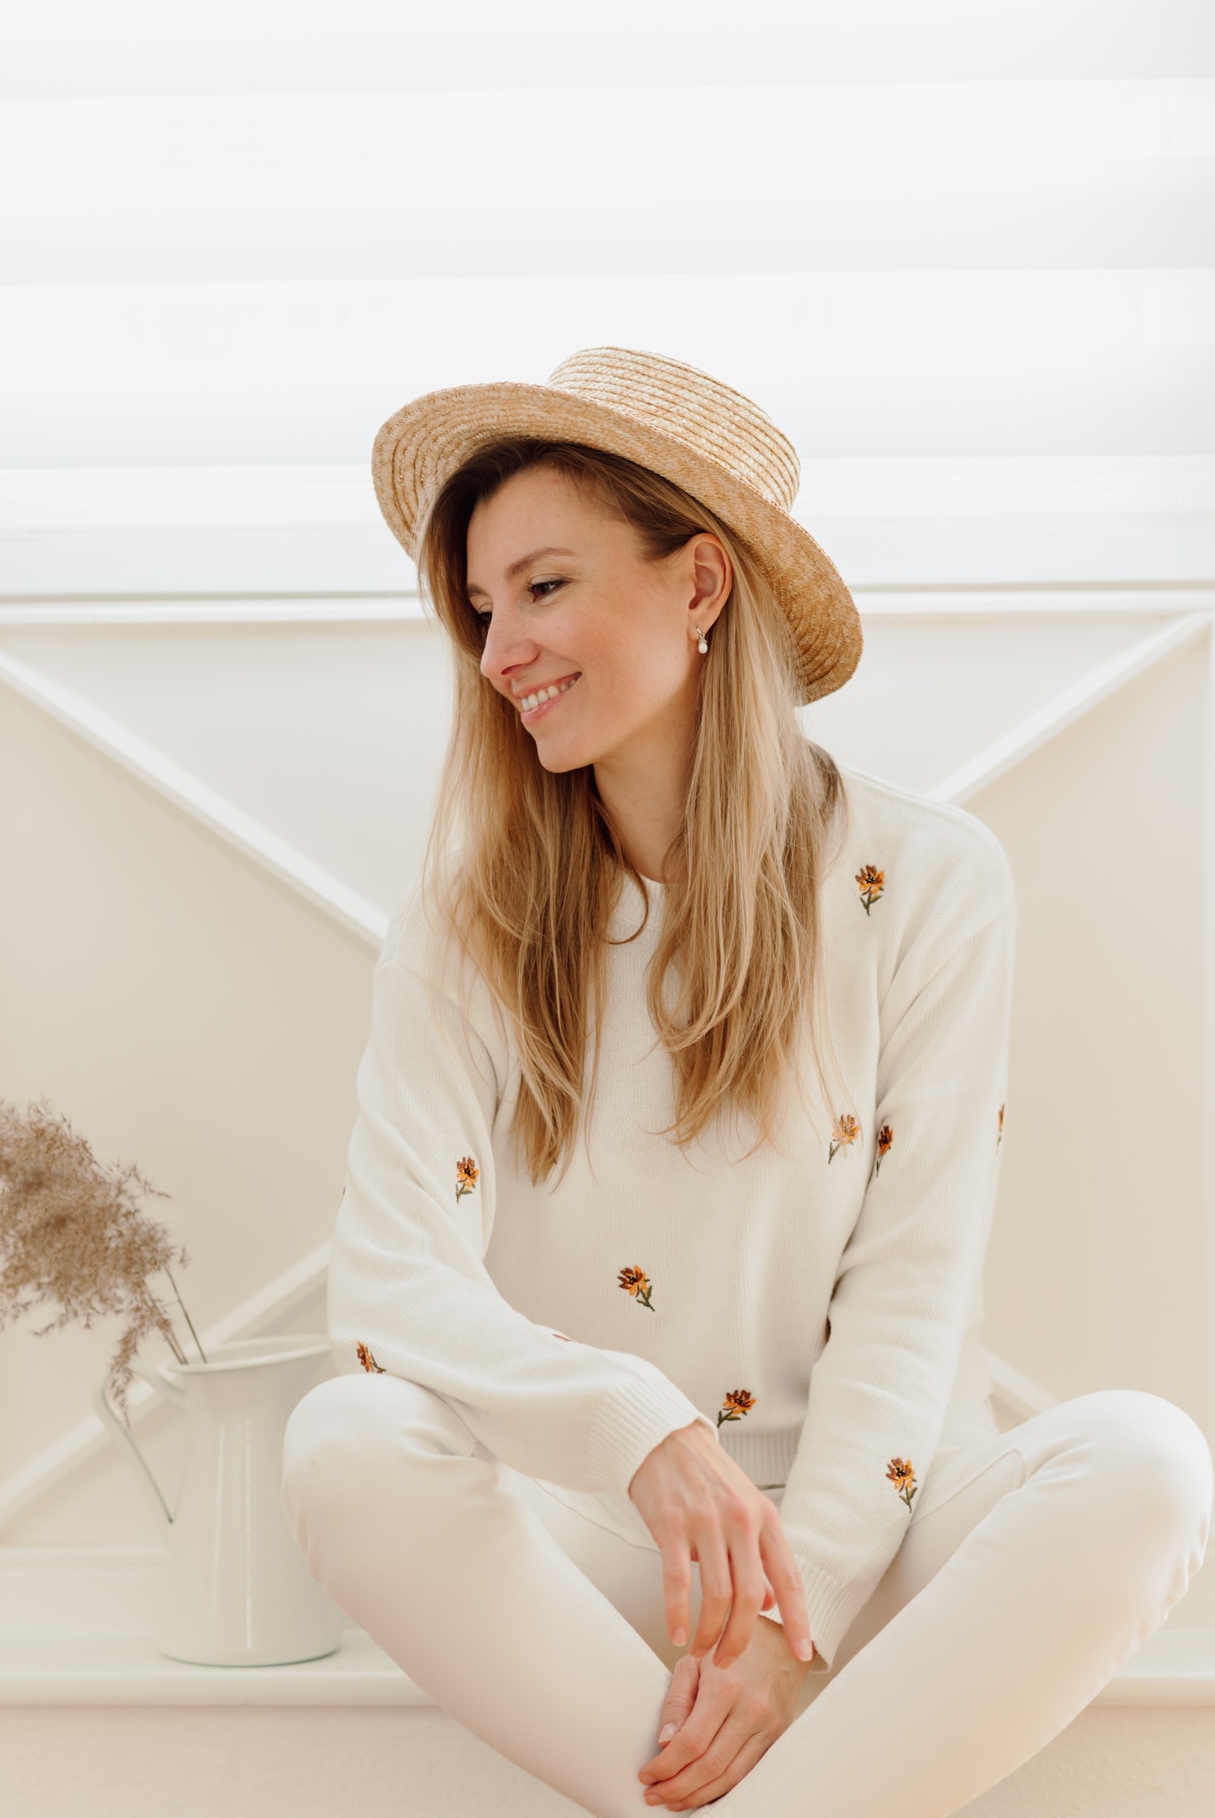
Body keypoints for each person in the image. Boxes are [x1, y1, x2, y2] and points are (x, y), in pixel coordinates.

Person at [281, 346, 1213, 1818]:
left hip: (881, 1539)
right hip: (602, 1540)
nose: (497, 647)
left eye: (539, 586)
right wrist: (642, 1429)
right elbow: (390, 1293)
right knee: (345, 1440)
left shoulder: (926, 882)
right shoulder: (464, 927)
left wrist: (795, 1624)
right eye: (476, 609)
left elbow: (911, 1293)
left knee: (1150, 1465)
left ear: (699, 585)